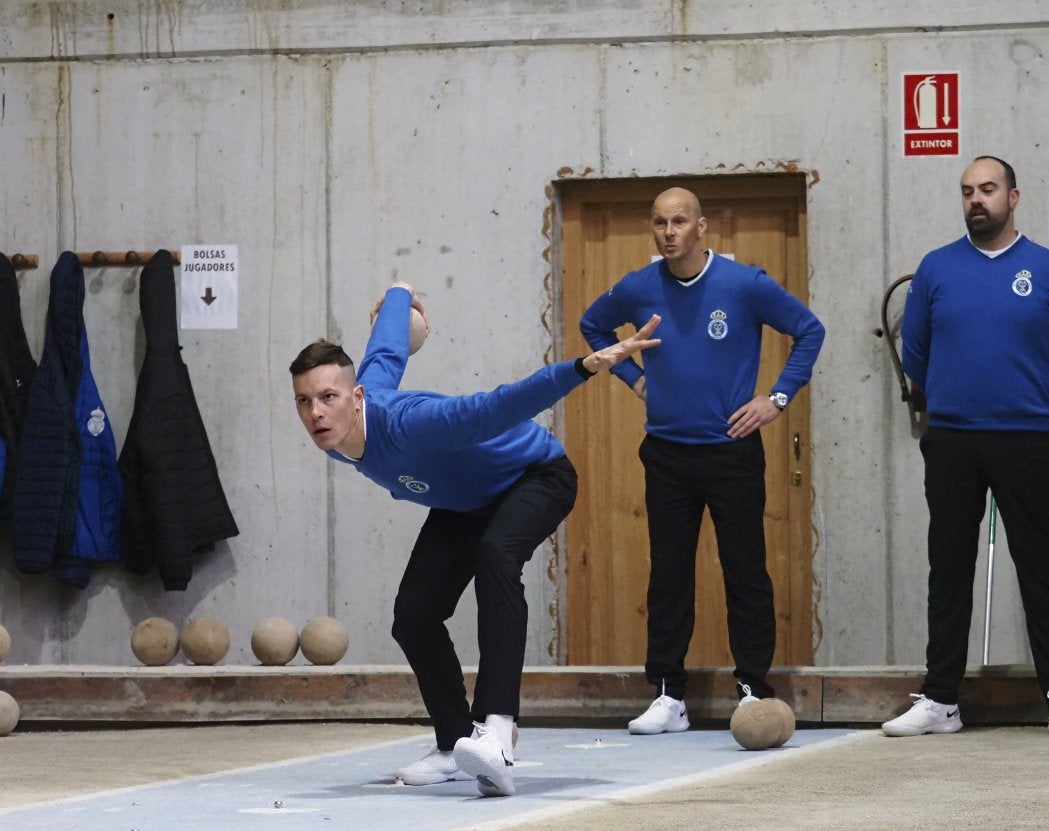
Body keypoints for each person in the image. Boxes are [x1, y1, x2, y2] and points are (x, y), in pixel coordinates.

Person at [289, 281, 661, 795]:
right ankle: (454, 744)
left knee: (497, 557)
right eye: (304, 402)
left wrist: (583, 368)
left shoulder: (412, 422)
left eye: (328, 398)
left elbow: (498, 406)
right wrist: (399, 293)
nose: (316, 414)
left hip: (535, 474)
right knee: (414, 616)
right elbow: (387, 348)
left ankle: (498, 732)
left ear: (355, 399)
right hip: (465, 501)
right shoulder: (335, 435)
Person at [579, 187, 825, 734]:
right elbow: (593, 326)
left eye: (679, 222)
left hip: (732, 452)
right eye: (659, 223)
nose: (668, 232)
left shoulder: (744, 284)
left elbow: (809, 330)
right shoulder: (639, 287)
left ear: (701, 227)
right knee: (668, 573)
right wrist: (632, 377)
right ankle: (669, 695)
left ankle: (752, 690)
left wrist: (776, 399)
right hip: (666, 452)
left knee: (745, 572)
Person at [885, 155, 1049, 739]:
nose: (977, 199)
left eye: (988, 189)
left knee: (1040, 567)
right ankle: (941, 699)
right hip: (951, 439)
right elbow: (917, 355)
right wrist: (959, 396)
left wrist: (1022, 395)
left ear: (1014, 197)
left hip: (1025, 438)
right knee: (949, 567)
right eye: (968, 191)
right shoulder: (936, 268)